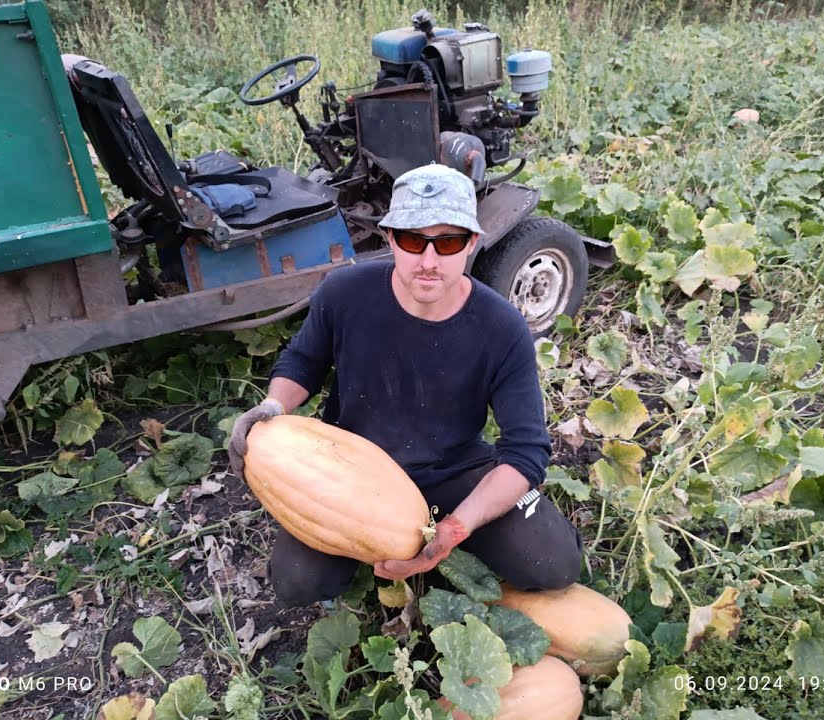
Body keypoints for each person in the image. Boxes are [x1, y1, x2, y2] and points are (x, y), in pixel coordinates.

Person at [228, 163, 583, 605]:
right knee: (297, 581)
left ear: (472, 242)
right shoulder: (344, 293)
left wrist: (456, 528)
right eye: (414, 240)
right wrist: (272, 410)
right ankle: (378, 544)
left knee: (555, 565)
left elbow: (526, 452)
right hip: (353, 471)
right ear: (390, 237)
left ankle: (426, 541)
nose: (429, 262)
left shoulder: (502, 327)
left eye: (448, 242)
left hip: (455, 470)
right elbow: (302, 363)